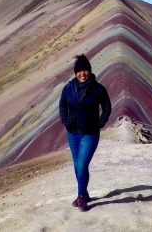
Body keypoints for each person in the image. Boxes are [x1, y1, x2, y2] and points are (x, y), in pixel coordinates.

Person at [58, 54, 112, 212]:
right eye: (79, 71)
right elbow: (62, 105)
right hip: (73, 132)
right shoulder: (68, 88)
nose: (83, 74)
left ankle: (81, 197)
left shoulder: (97, 89)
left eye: (85, 70)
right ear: (75, 73)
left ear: (90, 71)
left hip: (90, 133)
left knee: (82, 164)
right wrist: (65, 120)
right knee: (77, 165)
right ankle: (85, 194)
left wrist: (101, 122)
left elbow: (107, 107)